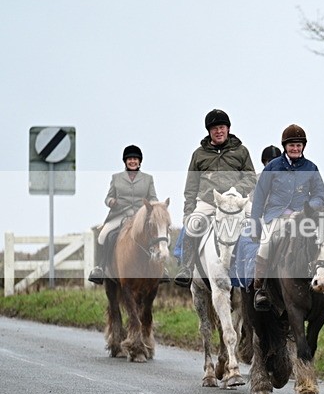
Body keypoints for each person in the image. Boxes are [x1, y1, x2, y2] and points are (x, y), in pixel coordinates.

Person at [250, 124, 324, 309]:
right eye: (291, 146)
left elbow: (320, 194)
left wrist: (307, 210)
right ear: (285, 147)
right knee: (266, 244)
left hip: (305, 219)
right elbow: (259, 197)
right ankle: (261, 289)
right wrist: (256, 225)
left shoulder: (311, 168)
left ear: (303, 146)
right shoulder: (273, 167)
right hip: (277, 217)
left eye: (298, 145)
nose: (295, 149)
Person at [174, 108, 257, 287]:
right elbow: (191, 186)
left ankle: (257, 269)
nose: (218, 131)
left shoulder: (241, 151)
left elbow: (251, 177)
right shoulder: (199, 154)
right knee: (192, 223)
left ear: (228, 129)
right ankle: (186, 267)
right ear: (209, 132)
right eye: (214, 129)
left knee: (259, 223)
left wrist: (236, 190)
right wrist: (188, 211)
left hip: (236, 200)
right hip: (209, 201)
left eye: (221, 127)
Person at [88, 145, 160, 284]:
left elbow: (153, 197)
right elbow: (107, 197)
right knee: (103, 236)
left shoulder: (148, 179)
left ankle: (161, 269)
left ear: (140, 161)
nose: (132, 161)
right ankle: (100, 267)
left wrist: (155, 206)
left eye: (135, 159)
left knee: (158, 233)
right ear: (125, 161)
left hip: (141, 216)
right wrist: (111, 202)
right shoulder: (116, 178)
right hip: (120, 214)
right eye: (129, 159)